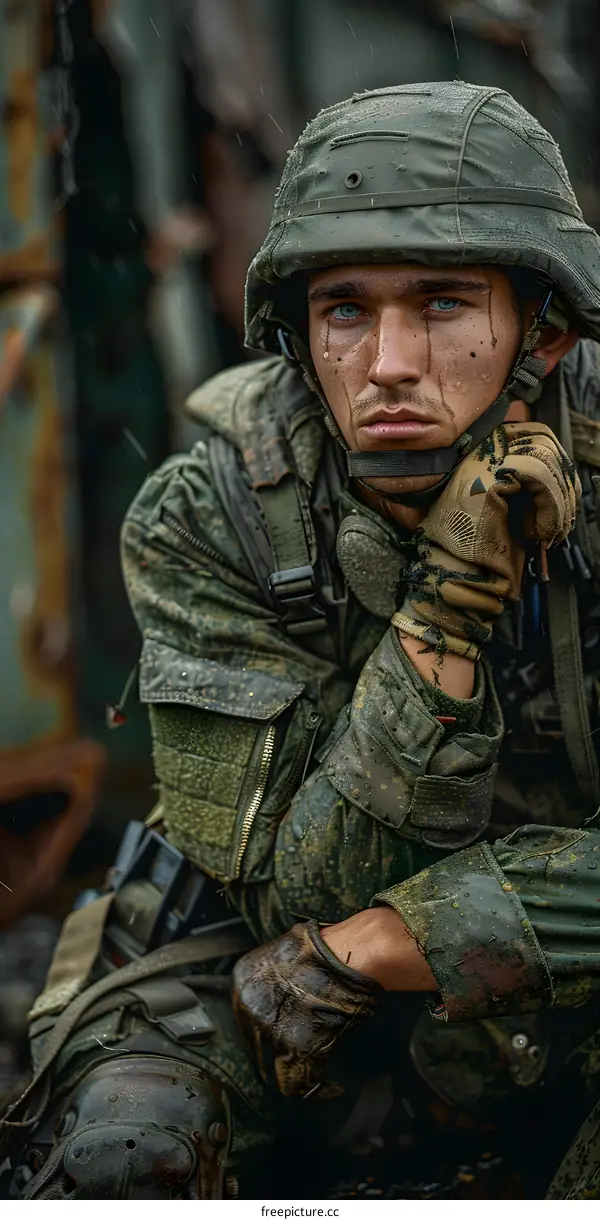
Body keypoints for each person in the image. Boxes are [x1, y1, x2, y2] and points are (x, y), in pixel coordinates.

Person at [5, 79, 600, 1200]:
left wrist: (399, 936)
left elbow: (348, 932)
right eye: (345, 311)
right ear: (299, 332)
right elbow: (301, 897)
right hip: (269, 971)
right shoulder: (215, 510)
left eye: (442, 304)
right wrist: (448, 606)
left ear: (547, 331)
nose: (388, 362)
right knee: (123, 1158)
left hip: (547, 966)